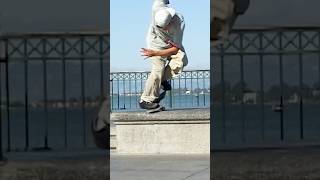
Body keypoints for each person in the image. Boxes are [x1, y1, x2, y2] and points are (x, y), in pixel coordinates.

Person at [139, 0, 188, 109]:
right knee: (157, 70)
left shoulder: (179, 24)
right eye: (159, 27)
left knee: (182, 61)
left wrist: (155, 53)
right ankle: (145, 100)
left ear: (170, 22)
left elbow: (175, 49)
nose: (162, 29)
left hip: (172, 43)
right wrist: (155, 51)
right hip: (154, 42)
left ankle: (161, 80)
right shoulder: (157, 7)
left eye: (164, 27)